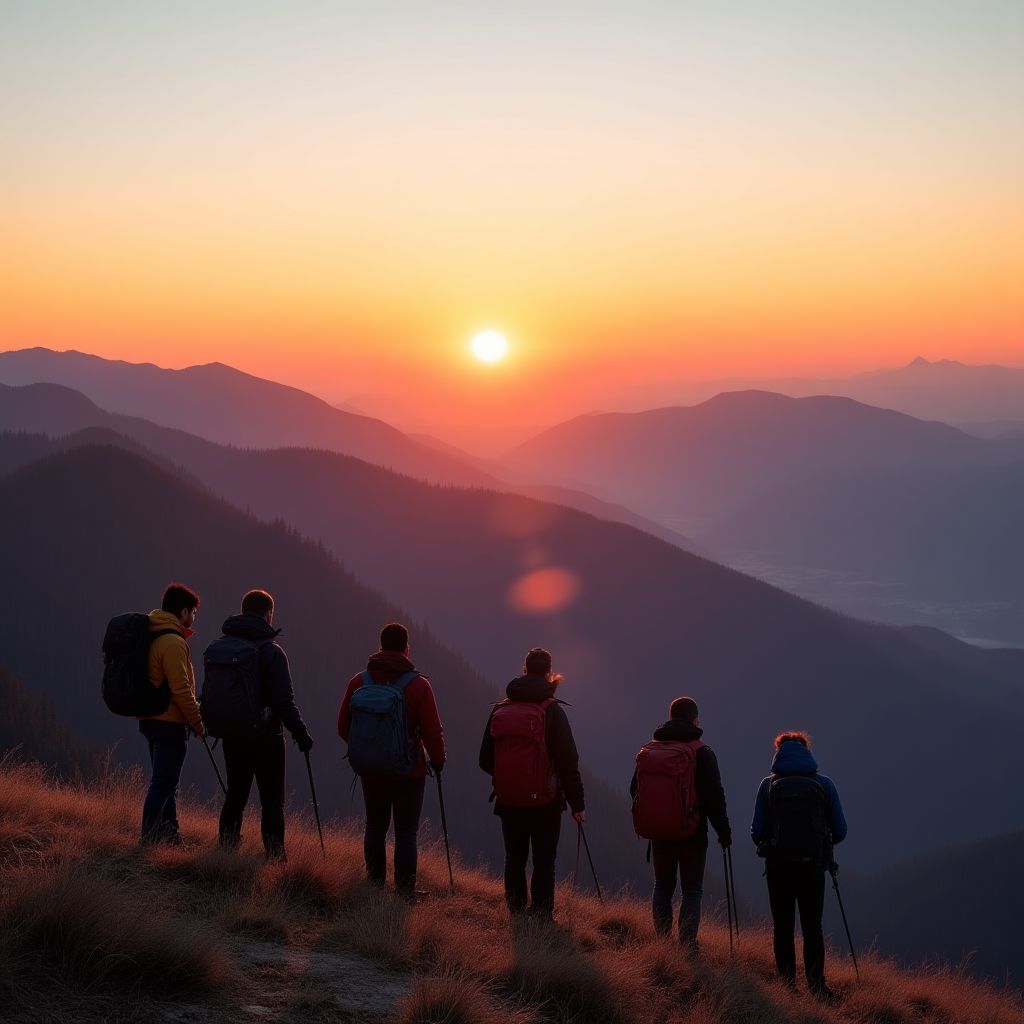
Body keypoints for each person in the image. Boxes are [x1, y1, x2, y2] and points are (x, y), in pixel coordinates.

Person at [338, 622, 445, 897]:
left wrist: (369, 748)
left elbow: (342, 727)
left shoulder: (359, 682)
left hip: (371, 770)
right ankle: (404, 891)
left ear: (380, 646)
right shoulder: (419, 686)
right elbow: (432, 731)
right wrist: (438, 760)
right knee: (406, 832)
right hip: (408, 772)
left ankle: (374, 885)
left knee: (375, 825)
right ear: (407, 649)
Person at [479, 647, 585, 920]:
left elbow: (484, 759)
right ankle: (540, 917)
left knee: (514, 858)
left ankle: (516, 912)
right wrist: (577, 804)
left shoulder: (501, 709)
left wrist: (507, 777)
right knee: (543, 861)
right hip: (546, 803)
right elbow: (568, 762)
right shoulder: (552, 712)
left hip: (508, 800)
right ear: (548, 673)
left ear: (524, 669)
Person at [213, 589, 313, 860]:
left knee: (236, 795)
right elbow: (284, 701)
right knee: (271, 801)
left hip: (232, 733)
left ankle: (226, 852)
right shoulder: (272, 652)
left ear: (243, 611)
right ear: (269, 614)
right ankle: (275, 857)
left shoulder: (224, 646)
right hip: (267, 737)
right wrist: (301, 733)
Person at [750, 731, 848, 1001]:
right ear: (808, 752)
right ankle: (817, 986)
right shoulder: (824, 784)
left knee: (783, 926)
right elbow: (841, 830)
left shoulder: (767, 785)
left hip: (779, 867)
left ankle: (787, 986)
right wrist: (822, 843)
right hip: (812, 867)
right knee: (812, 926)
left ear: (778, 752)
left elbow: (756, 831)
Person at [630, 696, 731, 952]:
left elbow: (635, 790)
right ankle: (687, 948)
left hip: (659, 831)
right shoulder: (702, 752)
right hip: (692, 834)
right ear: (695, 719)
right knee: (692, 891)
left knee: (662, 886)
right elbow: (714, 797)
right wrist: (724, 832)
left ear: (671, 716)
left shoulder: (651, 749)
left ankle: (663, 944)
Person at [138, 582, 205, 847]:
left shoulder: (154, 635)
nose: (194, 618)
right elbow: (181, 689)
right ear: (184, 611)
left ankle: (170, 837)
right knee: (163, 784)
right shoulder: (173, 642)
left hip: (150, 720)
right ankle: (149, 840)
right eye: (193, 612)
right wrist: (198, 722)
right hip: (170, 723)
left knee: (166, 782)